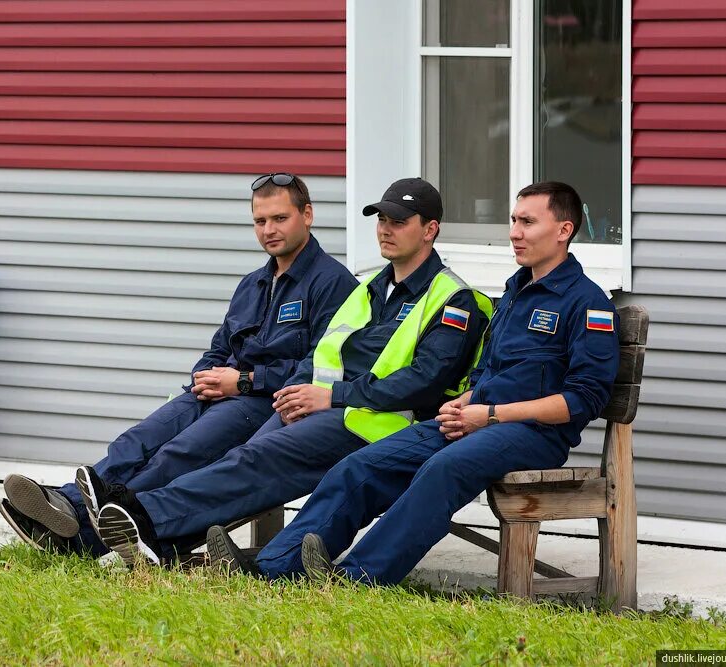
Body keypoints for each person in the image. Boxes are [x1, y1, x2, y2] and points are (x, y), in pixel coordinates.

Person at [208, 181, 621, 585]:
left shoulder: (587, 303)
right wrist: (468, 401)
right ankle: (277, 567)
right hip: (477, 420)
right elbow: (490, 371)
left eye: (527, 222)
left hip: (533, 434)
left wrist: (491, 415)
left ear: (564, 230)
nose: (514, 232)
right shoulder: (516, 291)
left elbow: (584, 398)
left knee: (442, 468)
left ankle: (359, 577)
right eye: (513, 220)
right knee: (362, 465)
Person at [90, 177, 493, 566]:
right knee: (245, 457)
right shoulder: (368, 288)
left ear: (430, 230)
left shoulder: (453, 298)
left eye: (399, 222)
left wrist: (330, 397)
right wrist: (298, 391)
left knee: (257, 459)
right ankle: (158, 541)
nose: (385, 230)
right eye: (381, 221)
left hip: (380, 424)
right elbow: (322, 354)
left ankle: (143, 516)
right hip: (327, 408)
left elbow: (425, 380)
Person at [0, 172, 357, 554]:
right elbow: (219, 346)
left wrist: (243, 381)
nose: (269, 230)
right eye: (260, 221)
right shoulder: (253, 283)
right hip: (217, 392)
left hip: (261, 400)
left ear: (308, 215)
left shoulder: (332, 283)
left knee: (177, 453)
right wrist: (206, 376)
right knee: (136, 441)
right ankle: (65, 504)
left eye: (279, 219)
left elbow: (319, 367)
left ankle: (84, 536)